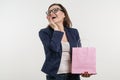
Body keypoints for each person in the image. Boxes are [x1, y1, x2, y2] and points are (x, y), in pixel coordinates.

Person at [39, 3, 91, 80]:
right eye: (49, 12)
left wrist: (83, 70)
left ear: (64, 14)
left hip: (74, 75)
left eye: (55, 10)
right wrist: (57, 29)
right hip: (56, 75)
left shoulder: (74, 32)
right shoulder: (44, 32)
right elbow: (54, 49)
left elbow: (79, 53)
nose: (51, 13)